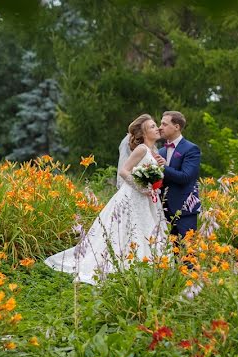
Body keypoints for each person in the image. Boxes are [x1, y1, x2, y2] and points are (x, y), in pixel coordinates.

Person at [45, 114, 168, 285]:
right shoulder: (141, 149)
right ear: (144, 132)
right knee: (127, 229)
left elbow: (152, 174)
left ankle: (145, 263)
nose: (157, 128)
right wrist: (141, 187)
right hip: (133, 195)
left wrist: (157, 174)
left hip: (147, 199)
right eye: (153, 126)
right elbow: (124, 171)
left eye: (156, 125)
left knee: (145, 228)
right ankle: (125, 262)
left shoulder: (154, 151)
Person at [157, 111, 201, 239]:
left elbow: (185, 177)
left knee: (187, 254)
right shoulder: (160, 151)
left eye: (164, 124)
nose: (160, 127)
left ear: (176, 127)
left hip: (184, 209)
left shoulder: (191, 149)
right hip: (162, 210)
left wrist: (163, 168)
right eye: (160, 124)